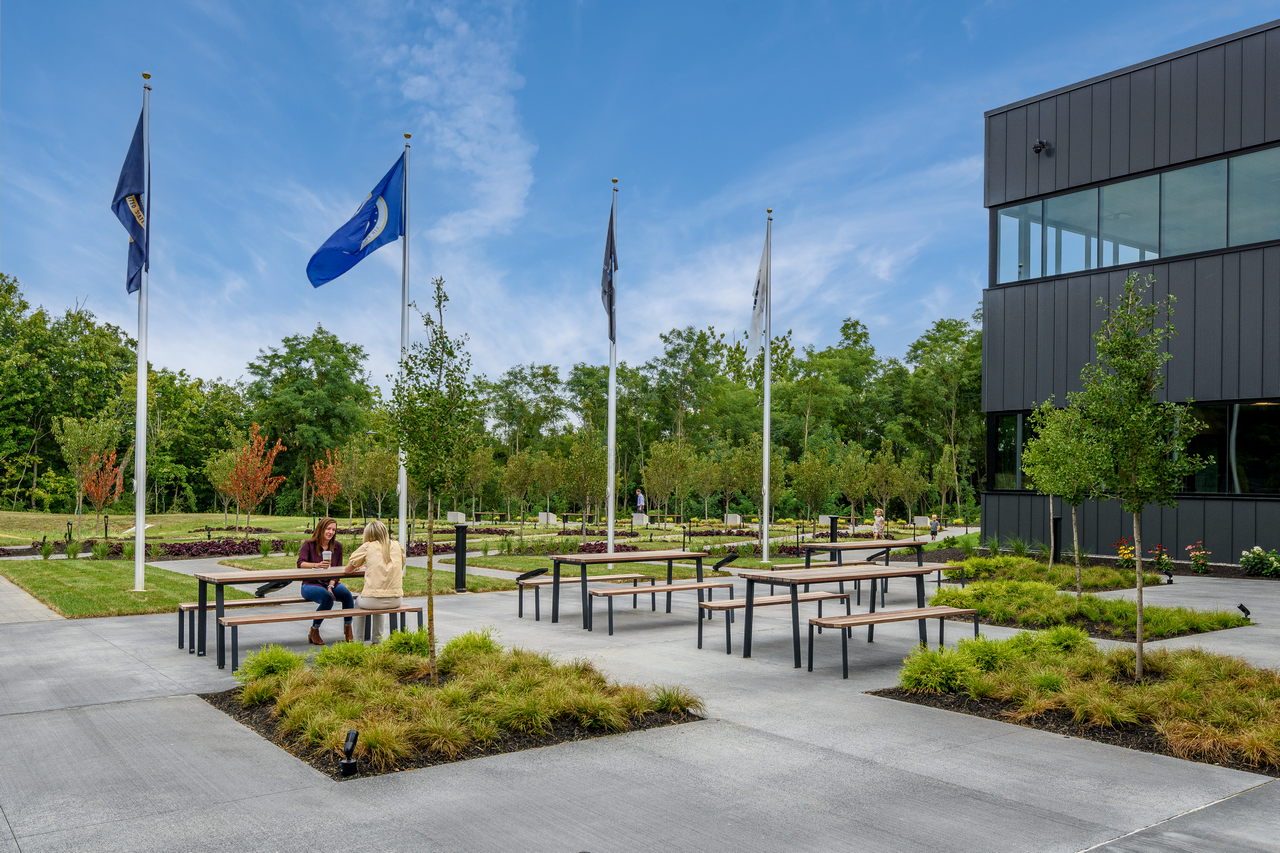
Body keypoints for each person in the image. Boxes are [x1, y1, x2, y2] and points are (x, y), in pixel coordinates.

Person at [297, 516, 354, 645]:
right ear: (321, 529)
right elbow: (300, 563)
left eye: (333, 530)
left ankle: (348, 628)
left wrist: (331, 586)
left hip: (330, 582)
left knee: (347, 595)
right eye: (328, 529)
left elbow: (337, 571)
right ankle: (314, 630)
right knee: (327, 598)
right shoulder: (309, 544)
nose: (331, 532)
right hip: (310, 584)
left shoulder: (337, 546)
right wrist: (316, 565)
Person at [346, 520, 404, 644]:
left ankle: (357, 642)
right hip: (396, 599)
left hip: (372, 600)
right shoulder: (397, 546)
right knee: (380, 603)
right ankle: (377, 641)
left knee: (358, 603)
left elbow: (348, 570)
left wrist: (359, 566)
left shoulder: (368, 547)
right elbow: (401, 566)